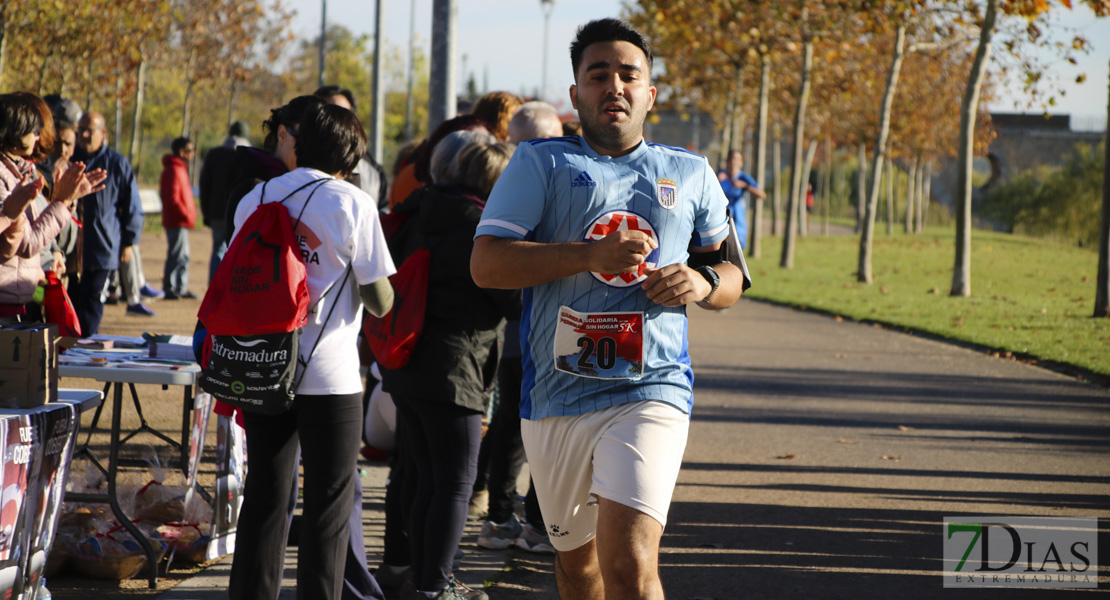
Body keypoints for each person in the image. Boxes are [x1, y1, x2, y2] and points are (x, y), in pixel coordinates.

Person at [470, 18, 749, 600]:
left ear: (651, 93)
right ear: (576, 95)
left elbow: (732, 278)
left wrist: (701, 282)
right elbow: (487, 264)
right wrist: (589, 254)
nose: (614, 86)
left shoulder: (691, 173)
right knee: (579, 565)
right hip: (556, 396)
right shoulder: (538, 164)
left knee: (629, 558)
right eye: (599, 76)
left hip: (652, 388)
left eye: (630, 75)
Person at [227, 101, 396, 600]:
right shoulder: (352, 203)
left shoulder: (254, 197)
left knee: (265, 498)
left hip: (263, 366)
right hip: (332, 375)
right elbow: (381, 302)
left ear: (298, 142)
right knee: (329, 505)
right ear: (351, 153)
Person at [379, 131, 518, 600]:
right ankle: (436, 587)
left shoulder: (418, 213)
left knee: (424, 480)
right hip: (455, 368)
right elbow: (510, 300)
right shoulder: (480, 228)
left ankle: (422, 578)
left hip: (407, 362)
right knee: (455, 485)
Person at [0, 92, 105, 321]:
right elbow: (25, 245)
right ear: (16, 128)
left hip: (20, 296)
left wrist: (66, 201)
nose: (39, 138)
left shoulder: (22, 172)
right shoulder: (8, 176)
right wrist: (62, 202)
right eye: (35, 130)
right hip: (8, 300)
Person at [70, 110, 145, 334]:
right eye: (80, 129)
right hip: (70, 253)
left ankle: (84, 351)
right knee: (71, 306)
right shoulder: (69, 161)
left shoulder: (117, 164)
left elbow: (132, 207)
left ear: (103, 133)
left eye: (89, 130)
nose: (84, 134)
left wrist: (129, 242)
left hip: (102, 250)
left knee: (91, 308)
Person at [314, 85, 390, 212]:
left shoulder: (373, 171)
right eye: (327, 114)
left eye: (342, 114)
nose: (335, 122)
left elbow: (384, 214)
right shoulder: (295, 162)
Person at [198, 120, 251, 281]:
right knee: (238, 251)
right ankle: (230, 289)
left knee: (218, 248)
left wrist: (206, 212)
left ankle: (214, 286)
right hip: (239, 212)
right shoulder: (248, 156)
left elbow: (204, 184)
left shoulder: (214, 154)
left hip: (215, 211)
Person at [159, 136, 197, 299]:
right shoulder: (173, 170)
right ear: (181, 152)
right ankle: (170, 287)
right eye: (190, 151)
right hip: (176, 220)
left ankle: (180, 287)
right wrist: (186, 213)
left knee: (184, 256)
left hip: (181, 220)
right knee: (176, 255)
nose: (193, 154)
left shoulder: (180, 168)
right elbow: (172, 199)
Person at [717, 149, 765, 249]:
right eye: (731, 159)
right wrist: (716, 180)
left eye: (736, 159)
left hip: (737, 223)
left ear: (741, 163)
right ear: (727, 161)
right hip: (720, 223)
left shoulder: (743, 177)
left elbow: (762, 195)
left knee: (735, 254)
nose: (733, 162)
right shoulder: (720, 176)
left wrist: (745, 186)